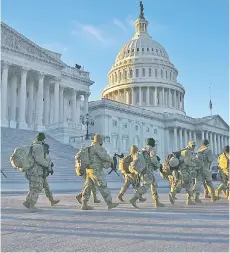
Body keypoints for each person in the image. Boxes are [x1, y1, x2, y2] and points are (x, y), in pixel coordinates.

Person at [81, 134, 119, 210]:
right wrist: (111, 160)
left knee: (88, 187)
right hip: (96, 170)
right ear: (100, 140)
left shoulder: (89, 148)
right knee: (103, 185)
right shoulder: (98, 147)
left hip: (89, 170)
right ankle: (109, 203)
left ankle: (84, 204)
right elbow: (105, 156)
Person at [129, 138, 164, 208]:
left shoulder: (143, 149)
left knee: (154, 185)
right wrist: (158, 165)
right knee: (146, 186)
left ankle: (157, 202)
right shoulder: (152, 150)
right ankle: (134, 198)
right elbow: (153, 160)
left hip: (143, 170)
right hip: (148, 171)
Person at [23, 133, 50, 212]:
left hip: (31, 170)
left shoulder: (33, 145)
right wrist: (47, 164)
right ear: (43, 139)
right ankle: (32, 206)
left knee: (33, 187)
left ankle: (27, 202)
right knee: (37, 188)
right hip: (36, 171)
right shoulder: (39, 147)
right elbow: (39, 159)